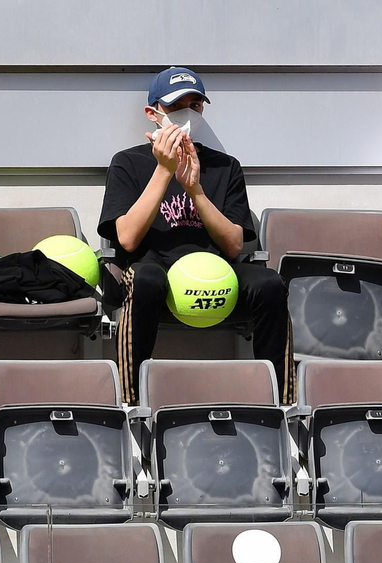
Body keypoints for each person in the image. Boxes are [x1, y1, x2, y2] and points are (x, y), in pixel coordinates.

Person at [98, 67, 293, 404]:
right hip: (153, 271)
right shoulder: (127, 163)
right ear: (153, 113)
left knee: (270, 284)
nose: (188, 113)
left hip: (215, 271)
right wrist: (164, 169)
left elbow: (234, 244)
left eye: (196, 105)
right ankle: (130, 403)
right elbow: (126, 239)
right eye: (177, 107)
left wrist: (196, 189)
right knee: (144, 279)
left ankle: (280, 401)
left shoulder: (224, 166)